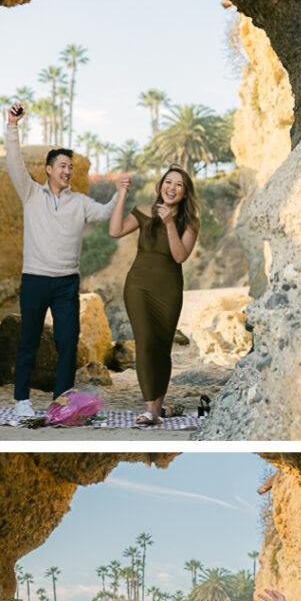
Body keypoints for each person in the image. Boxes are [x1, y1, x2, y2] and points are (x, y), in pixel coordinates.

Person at [6, 100, 119, 416]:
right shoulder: (30, 194)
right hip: (35, 280)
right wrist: (13, 127)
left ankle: (62, 404)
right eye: (62, 166)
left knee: (68, 342)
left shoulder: (80, 202)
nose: (68, 171)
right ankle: (22, 403)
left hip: (67, 283)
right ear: (48, 169)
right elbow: (14, 163)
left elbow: (107, 212)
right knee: (28, 341)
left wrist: (120, 192)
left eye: (70, 167)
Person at [109, 166, 200, 424]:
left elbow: (180, 256)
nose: (171, 188)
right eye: (168, 182)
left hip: (169, 290)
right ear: (160, 186)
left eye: (179, 184)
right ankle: (149, 410)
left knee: (161, 348)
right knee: (147, 342)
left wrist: (169, 223)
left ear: (185, 193)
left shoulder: (190, 221)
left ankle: (157, 409)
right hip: (138, 285)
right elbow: (115, 231)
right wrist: (121, 194)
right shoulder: (142, 211)